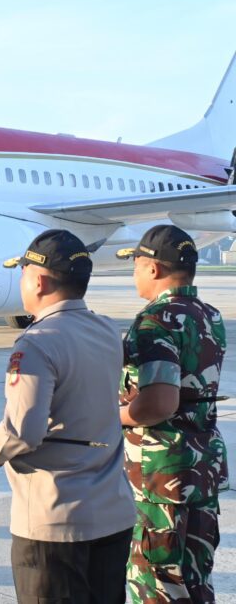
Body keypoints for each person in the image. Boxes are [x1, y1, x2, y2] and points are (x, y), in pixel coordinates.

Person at [0, 229, 136, 603]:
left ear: (40, 281)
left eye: (23, 273)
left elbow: (22, 434)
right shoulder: (107, 329)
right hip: (112, 513)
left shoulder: (37, 342)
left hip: (56, 523)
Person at [117, 225, 227, 603]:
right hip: (202, 469)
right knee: (195, 581)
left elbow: (159, 404)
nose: (133, 274)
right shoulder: (209, 315)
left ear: (152, 269)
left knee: (156, 585)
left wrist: (111, 414)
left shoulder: (155, 322)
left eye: (135, 264)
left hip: (161, 478)